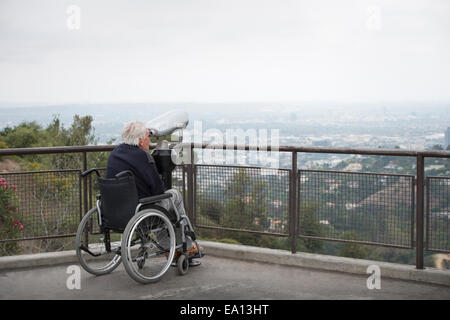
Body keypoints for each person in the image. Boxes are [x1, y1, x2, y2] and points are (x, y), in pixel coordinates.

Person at [106, 120, 204, 262]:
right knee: (174, 196)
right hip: (139, 213)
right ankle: (186, 245)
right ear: (140, 141)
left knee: (159, 207)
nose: (149, 141)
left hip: (115, 213)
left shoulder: (115, 154)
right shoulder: (143, 157)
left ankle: (172, 248)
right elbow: (159, 191)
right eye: (148, 137)